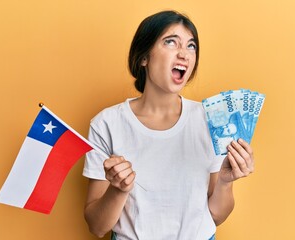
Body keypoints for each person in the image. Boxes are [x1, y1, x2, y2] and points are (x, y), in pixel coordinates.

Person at [83, 10, 255, 240]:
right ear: (144, 57)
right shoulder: (106, 124)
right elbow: (97, 226)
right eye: (171, 42)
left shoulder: (210, 119)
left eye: (191, 46)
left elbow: (216, 216)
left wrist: (225, 181)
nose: (184, 54)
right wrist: (118, 189)